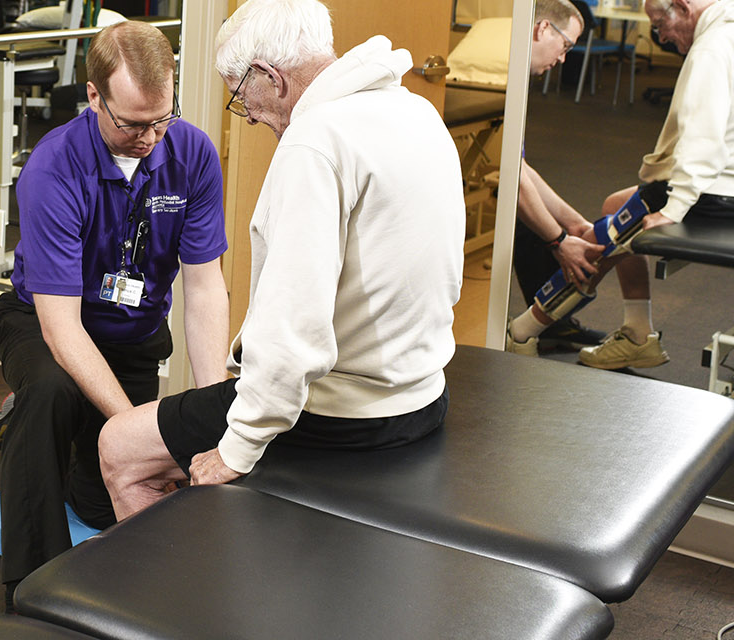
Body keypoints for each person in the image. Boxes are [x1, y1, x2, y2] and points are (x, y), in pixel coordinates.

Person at [96, 0, 463, 520]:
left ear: (271, 76)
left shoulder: (314, 145)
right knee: (205, 409)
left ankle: (171, 599)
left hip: (341, 413)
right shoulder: (414, 111)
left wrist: (236, 448)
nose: (249, 117)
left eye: (244, 99)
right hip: (422, 396)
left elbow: (295, 332)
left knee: (120, 446)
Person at [0, 20, 230, 606]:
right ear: (94, 98)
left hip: (132, 336)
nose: (150, 137)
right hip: (44, 324)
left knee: (99, 499)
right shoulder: (53, 166)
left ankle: (22, 429)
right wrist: (131, 431)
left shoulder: (190, 152)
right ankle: (30, 587)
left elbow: (204, 287)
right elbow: (61, 326)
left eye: (161, 119)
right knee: (49, 392)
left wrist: (211, 416)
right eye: (133, 123)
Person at [505, 0, 734, 369]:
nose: (662, 37)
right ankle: (638, 332)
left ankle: (523, 331)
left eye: (660, 25)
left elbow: (703, 139)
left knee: (600, 241)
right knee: (613, 207)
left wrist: (674, 207)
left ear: (683, 7)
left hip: (712, 194)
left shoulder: (714, 46)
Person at [510, 0, 608, 350]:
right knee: (529, 216)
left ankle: (555, 325)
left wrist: (574, 224)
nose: (564, 58)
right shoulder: (505, 73)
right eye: (566, 46)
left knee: (540, 215)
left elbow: (520, 168)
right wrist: (559, 241)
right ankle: (549, 326)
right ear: (543, 29)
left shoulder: (516, 70)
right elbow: (512, 182)